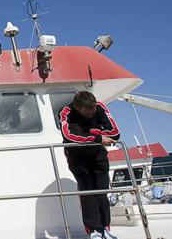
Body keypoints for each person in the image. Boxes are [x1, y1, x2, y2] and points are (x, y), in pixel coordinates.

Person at [59, 91, 120, 239]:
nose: (93, 113)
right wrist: (98, 136)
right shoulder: (66, 112)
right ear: (78, 107)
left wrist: (88, 135)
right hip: (77, 158)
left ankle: (105, 228)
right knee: (88, 194)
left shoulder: (99, 107)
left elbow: (115, 132)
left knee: (102, 192)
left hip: (98, 156)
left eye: (93, 109)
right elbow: (69, 136)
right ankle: (94, 230)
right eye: (88, 110)